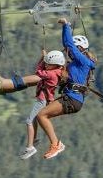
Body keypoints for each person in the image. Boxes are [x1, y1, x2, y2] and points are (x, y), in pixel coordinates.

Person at [36, 18, 96, 159]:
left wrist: (66, 26)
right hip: (72, 98)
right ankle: (54, 143)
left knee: (41, 115)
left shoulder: (83, 61)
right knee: (43, 114)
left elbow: (68, 44)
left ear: (79, 49)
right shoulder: (74, 65)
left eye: (71, 51)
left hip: (72, 99)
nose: (67, 53)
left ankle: (56, 144)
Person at [20, 50, 65, 160]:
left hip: (42, 100)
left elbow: (38, 71)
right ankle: (33, 139)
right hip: (45, 99)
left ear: (56, 65)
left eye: (48, 64)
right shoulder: (57, 71)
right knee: (34, 120)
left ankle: (30, 147)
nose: (46, 65)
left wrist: (42, 59)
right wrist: (45, 59)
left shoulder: (51, 74)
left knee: (29, 121)